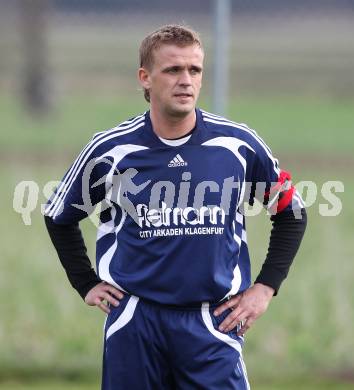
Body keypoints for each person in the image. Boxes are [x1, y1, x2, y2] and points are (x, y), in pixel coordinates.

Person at [44, 24, 307, 390]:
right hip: (135, 320)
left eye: (194, 70)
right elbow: (58, 215)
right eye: (172, 70)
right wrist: (85, 282)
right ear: (145, 78)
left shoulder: (238, 145)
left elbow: (291, 213)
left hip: (212, 321)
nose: (186, 80)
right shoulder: (111, 151)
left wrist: (265, 288)